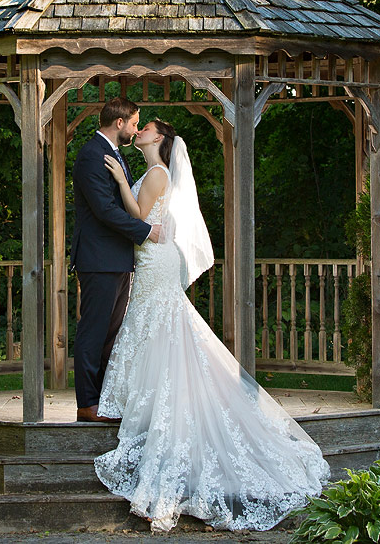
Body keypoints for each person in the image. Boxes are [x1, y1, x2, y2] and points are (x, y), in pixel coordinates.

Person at [94, 119, 330, 532]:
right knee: (156, 326)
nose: (140, 131)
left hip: (153, 261)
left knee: (156, 324)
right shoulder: (153, 173)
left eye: (146, 128)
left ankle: (160, 397)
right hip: (151, 260)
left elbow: (139, 217)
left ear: (160, 139)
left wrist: (116, 183)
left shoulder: (155, 173)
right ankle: (154, 393)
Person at [70, 97, 162, 423]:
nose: (136, 129)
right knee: (92, 333)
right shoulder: (90, 156)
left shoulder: (114, 154)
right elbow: (105, 210)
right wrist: (146, 231)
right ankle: (87, 404)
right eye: (135, 123)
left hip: (119, 259)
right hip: (98, 259)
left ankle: (104, 400)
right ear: (120, 122)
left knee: (111, 335)